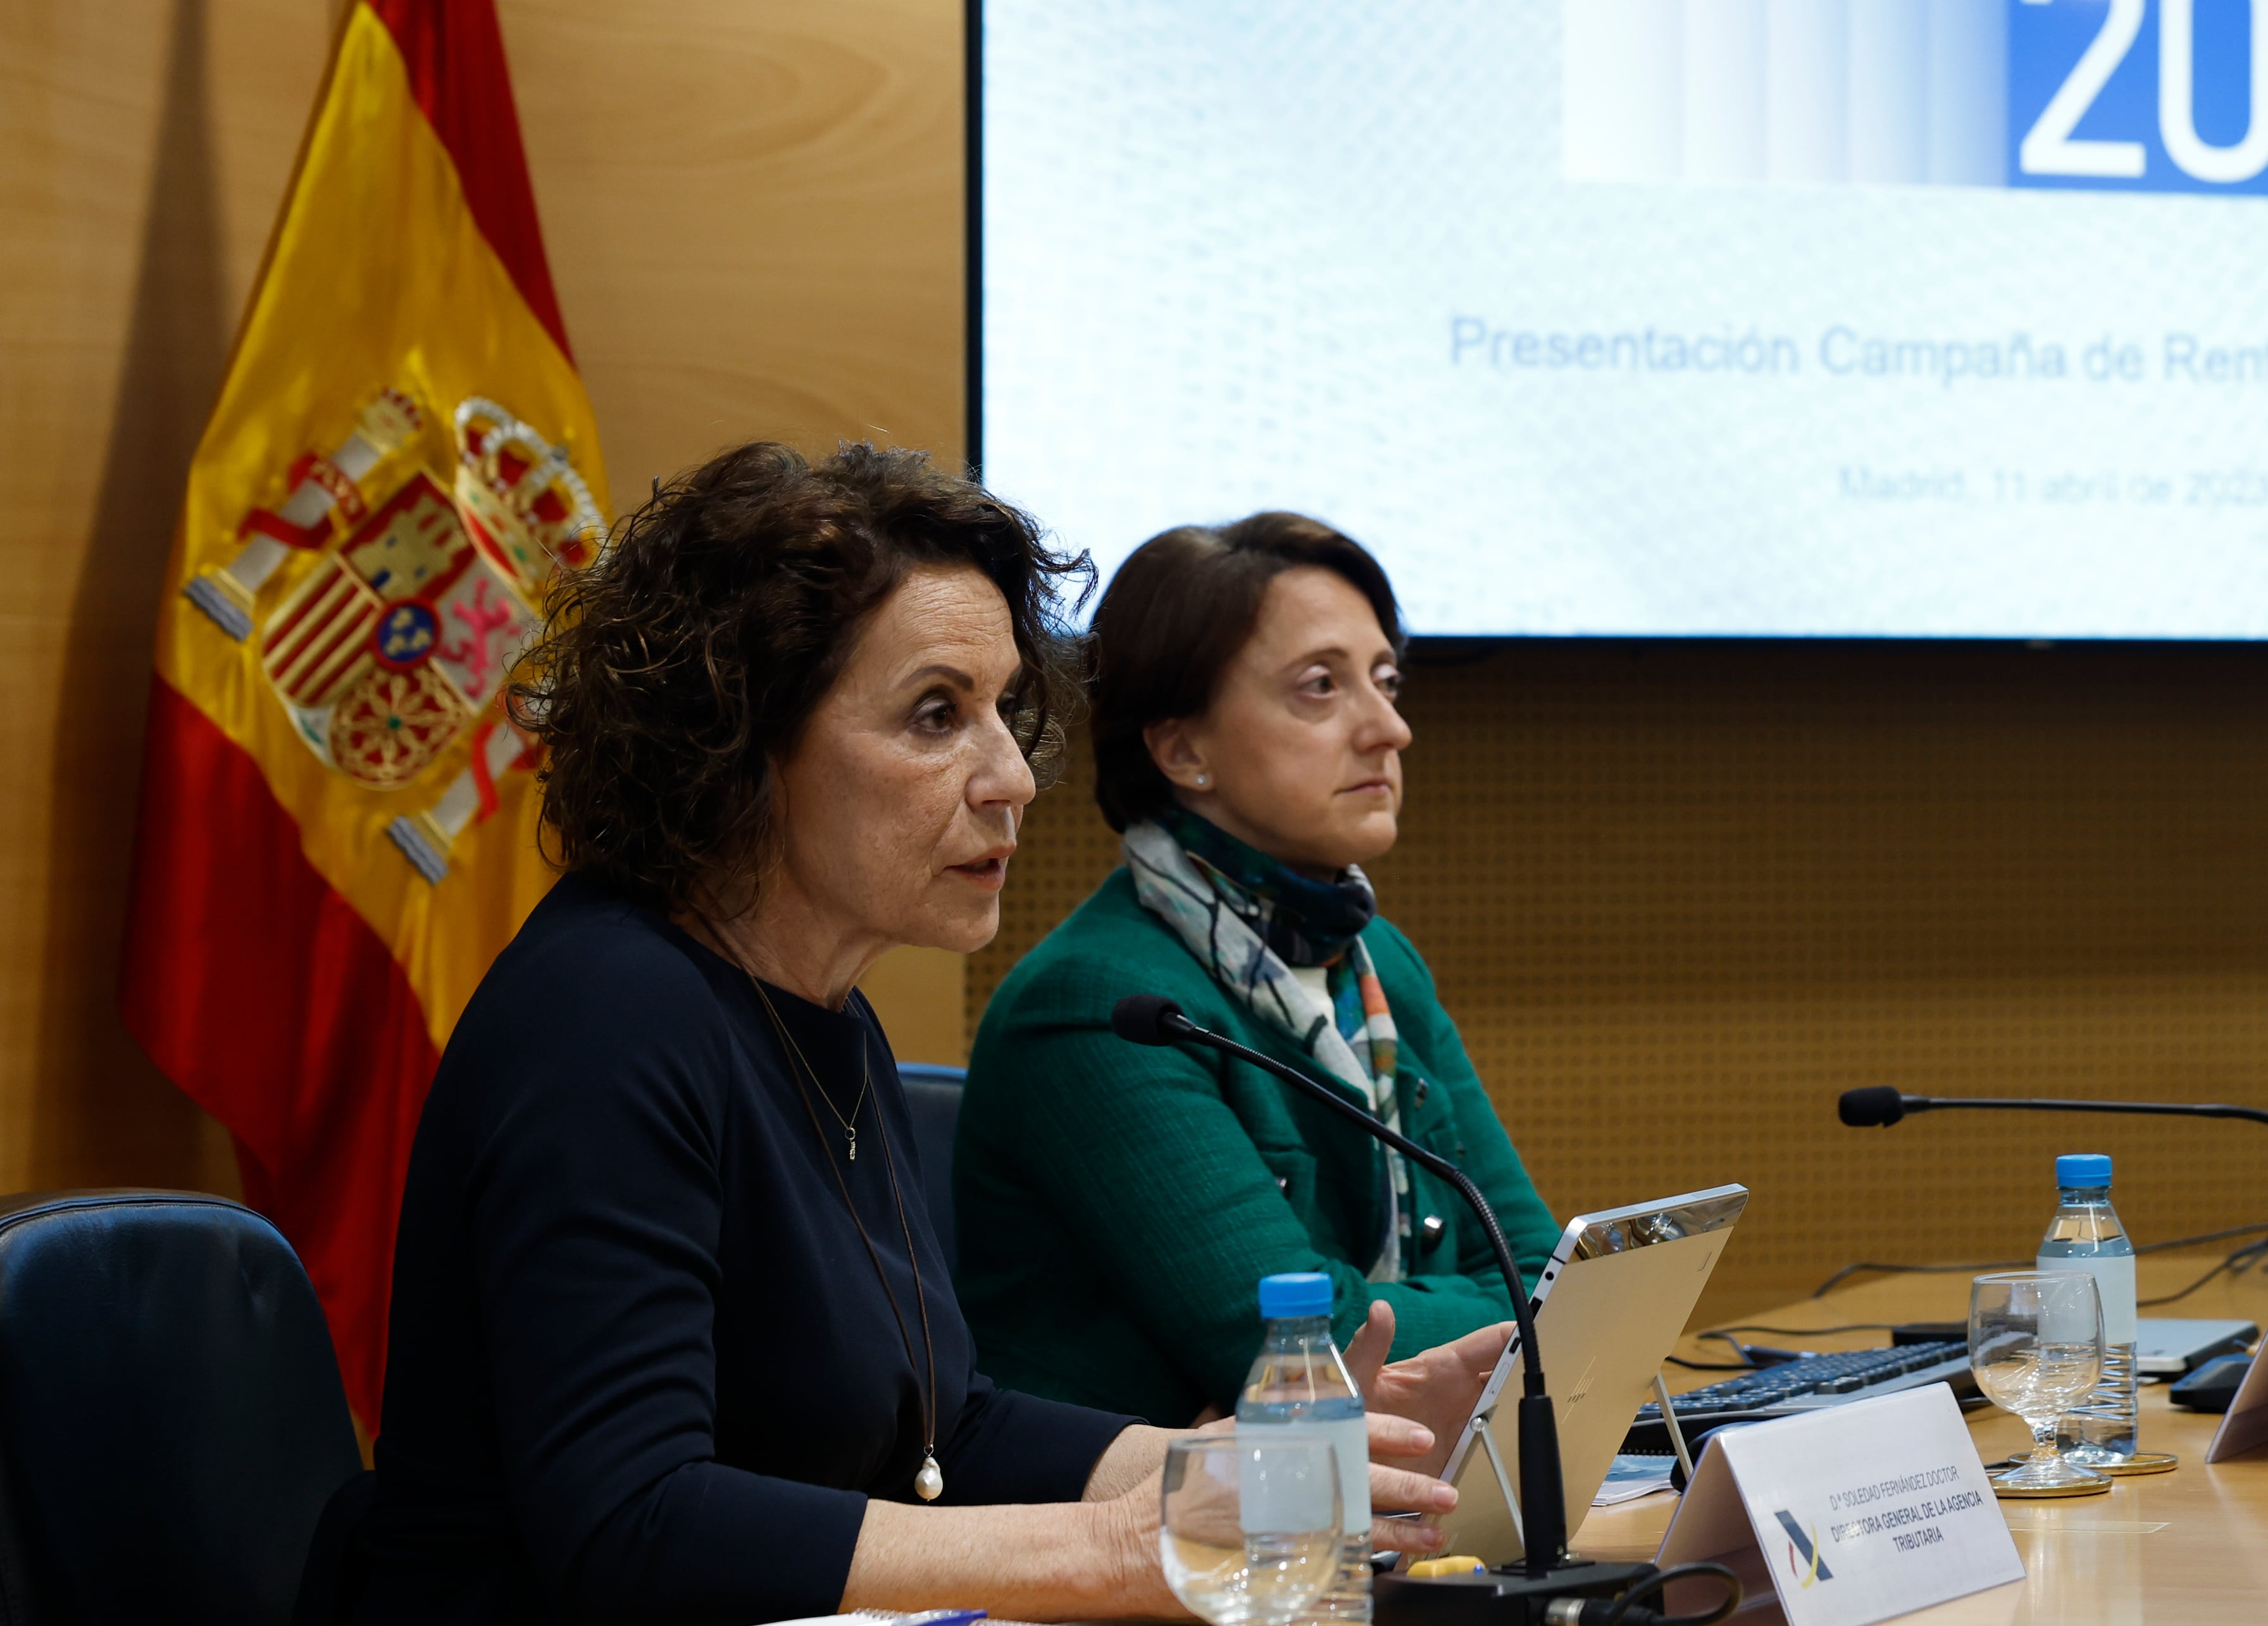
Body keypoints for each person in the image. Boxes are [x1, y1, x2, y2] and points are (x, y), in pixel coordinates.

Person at [332, 447, 1482, 1625]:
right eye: (938, 714)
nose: (1012, 779)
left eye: (1002, 711)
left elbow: (947, 1431)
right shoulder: (604, 1019)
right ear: (741, 744)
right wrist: (1110, 1547)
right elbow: (636, 1521)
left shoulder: (824, 1011)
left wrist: (1250, 1467)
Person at [956, 513, 1553, 1425]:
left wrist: (1456, 1320)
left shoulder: (1374, 960)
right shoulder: (1097, 1005)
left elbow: (1546, 1276)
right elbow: (1295, 1344)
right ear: (1183, 748)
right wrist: (1489, 1315)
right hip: (1145, 1540)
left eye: (1386, 681)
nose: (1388, 728)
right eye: (1321, 686)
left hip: (1360, 1495)